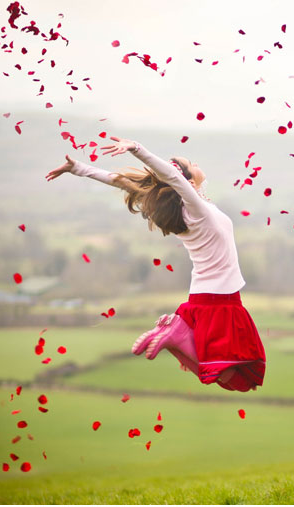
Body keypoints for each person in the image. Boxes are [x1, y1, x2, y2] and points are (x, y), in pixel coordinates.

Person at [45, 136, 266, 392]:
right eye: (190, 164)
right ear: (188, 181)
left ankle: (178, 337)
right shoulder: (195, 209)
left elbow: (124, 182)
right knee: (241, 379)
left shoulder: (192, 210)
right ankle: (178, 337)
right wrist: (137, 149)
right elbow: (171, 176)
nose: (195, 163)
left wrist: (79, 169)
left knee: (234, 376)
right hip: (219, 300)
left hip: (204, 298)